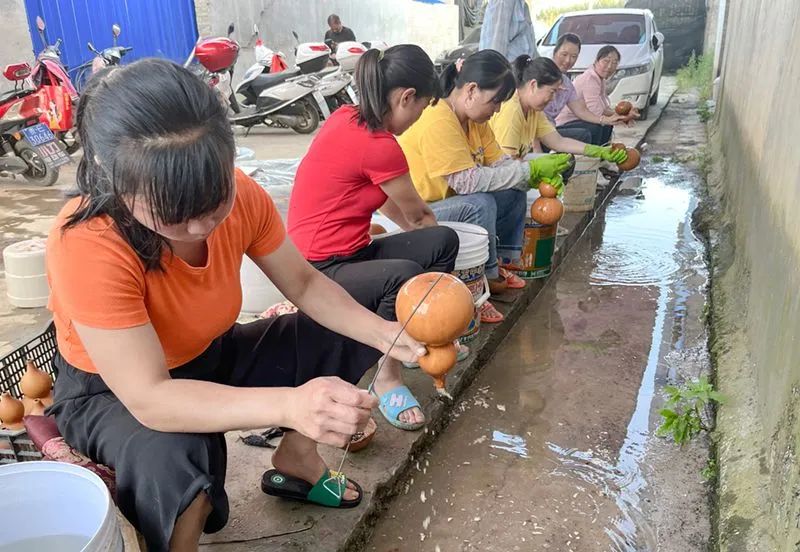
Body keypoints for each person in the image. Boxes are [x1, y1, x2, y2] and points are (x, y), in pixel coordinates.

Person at [45, 59, 427, 552]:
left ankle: (297, 458)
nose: (202, 227)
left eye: (214, 202)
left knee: (360, 311)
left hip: (209, 353)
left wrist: (385, 335)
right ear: (111, 177)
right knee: (180, 455)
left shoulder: (242, 194)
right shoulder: (89, 240)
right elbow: (151, 397)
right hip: (114, 393)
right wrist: (290, 403)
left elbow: (307, 286)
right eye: (175, 215)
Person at [287, 45, 462, 432]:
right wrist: (454, 294)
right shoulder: (379, 144)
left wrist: (428, 235)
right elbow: (417, 215)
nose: (419, 117)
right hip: (317, 269)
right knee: (405, 273)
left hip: (351, 252)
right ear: (405, 97)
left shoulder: (349, 118)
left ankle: (423, 337)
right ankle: (386, 374)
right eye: (423, 106)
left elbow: (391, 205)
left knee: (442, 242)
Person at [398, 50, 570, 324]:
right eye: (495, 102)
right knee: (481, 202)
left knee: (513, 189)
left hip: (454, 205)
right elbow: (466, 183)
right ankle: (484, 283)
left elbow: (501, 163)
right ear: (471, 90)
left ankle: (501, 264)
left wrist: (529, 175)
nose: (498, 110)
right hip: (422, 213)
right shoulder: (439, 119)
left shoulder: (475, 121)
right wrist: (528, 170)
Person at [490, 55, 628, 165]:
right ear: (533, 85)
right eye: (552, 92)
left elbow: (558, 142)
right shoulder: (511, 110)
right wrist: (538, 168)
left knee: (565, 164)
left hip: (512, 166)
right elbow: (506, 164)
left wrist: (598, 151)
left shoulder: (533, 110)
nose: (553, 98)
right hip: (498, 173)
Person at [542, 33, 626, 144]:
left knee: (602, 126)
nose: (568, 61)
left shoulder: (567, 83)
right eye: (564, 54)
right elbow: (533, 113)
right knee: (585, 134)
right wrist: (536, 146)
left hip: (550, 129)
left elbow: (581, 110)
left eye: (573, 57)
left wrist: (609, 119)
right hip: (539, 132)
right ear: (555, 52)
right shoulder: (542, 74)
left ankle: (599, 155)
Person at [555, 45, 639, 146]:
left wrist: (624, 115)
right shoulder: (589, 79)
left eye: (614, 63)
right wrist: (622, 118)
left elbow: (603, 109)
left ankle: (602, 153)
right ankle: (596, 154)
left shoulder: (599, 79)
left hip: (580, 119)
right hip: (565, 123)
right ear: (596, 61)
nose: (609, 66)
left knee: (606, 124)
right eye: (606, 61)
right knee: (598, 126)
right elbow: (596, 112)